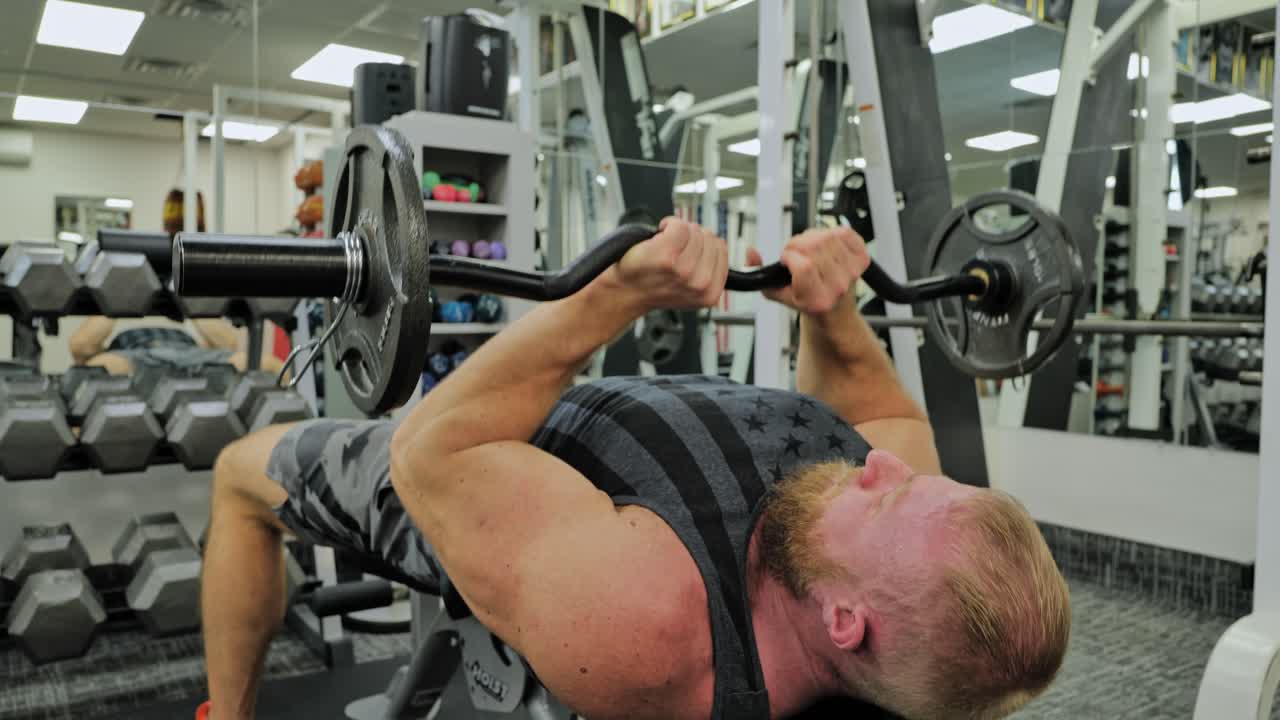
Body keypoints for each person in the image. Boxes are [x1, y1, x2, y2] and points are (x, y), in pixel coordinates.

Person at [199, 220, 1070, 720]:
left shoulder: (651, 618)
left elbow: (430, 449)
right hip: (593, 438)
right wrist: (830, 311)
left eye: (889, 500)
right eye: (918, 481)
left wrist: (614, 295)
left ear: (845, 622)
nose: (881, 467)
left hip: (490, 464)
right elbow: (885, 420)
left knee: (241, 476)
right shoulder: (889, 554)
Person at [69, 317, 285, 376]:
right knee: (97, 368)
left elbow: (227, 344)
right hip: (137, 354)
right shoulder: (119, 327)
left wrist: (187, 296)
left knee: (270, 364)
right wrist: (123, 293)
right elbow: (81, 347)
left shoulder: (191, 331)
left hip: (188, 353)